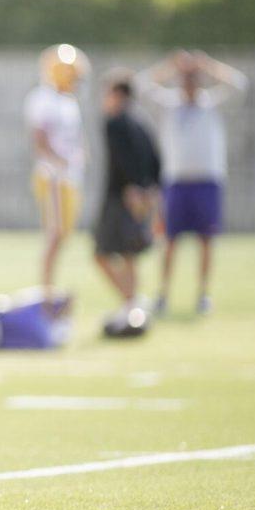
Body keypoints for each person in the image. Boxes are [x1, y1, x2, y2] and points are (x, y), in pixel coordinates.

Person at [137, 51, 248, 316]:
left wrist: (208, 65)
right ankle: (163, 294)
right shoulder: (170, 104)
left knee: (206, 240)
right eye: (185, 79)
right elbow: (141, 86)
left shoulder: (211, 104)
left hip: (207, 181)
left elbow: (240, 84)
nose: (188, 85)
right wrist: (171, 65)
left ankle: (203, 294)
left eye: (193, 79)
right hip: (176, 183)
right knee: (169, 240)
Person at [93, 70, 161, 323]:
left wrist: (133, 187)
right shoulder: (141, 123)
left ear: (118, 94)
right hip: (141, 196)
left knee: (101, 253)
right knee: (129, 254)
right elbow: (156, 158)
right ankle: (132, 301)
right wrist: (151, 188)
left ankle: (131, 302)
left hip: (121, 198)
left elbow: (123, 159)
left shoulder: (115, 122)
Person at [25, 44, 88, 297]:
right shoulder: (43, 98)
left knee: (63, 234)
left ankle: (49, 286)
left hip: (68, 176)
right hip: (53, 175)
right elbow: (39, 138)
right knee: (55, 233)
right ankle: (46, 288)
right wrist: (61, 162)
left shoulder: (66, 100)